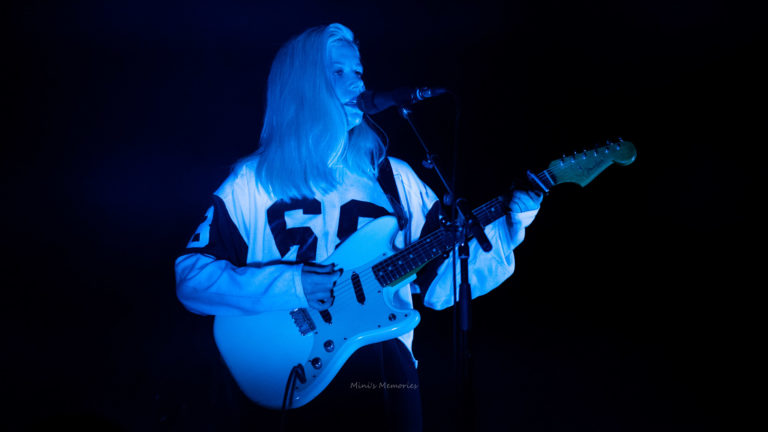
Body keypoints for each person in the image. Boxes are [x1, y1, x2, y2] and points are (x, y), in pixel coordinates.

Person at [174, 23, 543, 431]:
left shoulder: (393, 178)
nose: (357, 84)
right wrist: (292, 284)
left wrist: (511, 226)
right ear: (302, 86)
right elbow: (192, 279)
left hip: (383, 371)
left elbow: (442, 286)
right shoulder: (251, 182)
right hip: (285, 368)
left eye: (358, 72)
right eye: (338, 72)